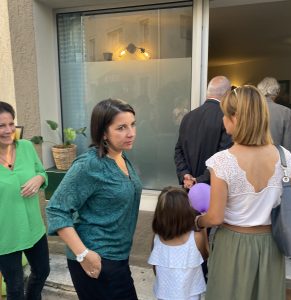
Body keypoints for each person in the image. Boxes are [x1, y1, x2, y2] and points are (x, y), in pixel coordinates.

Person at [195, 85, 291, 300]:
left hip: (232, 245)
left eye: (225, 114)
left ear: (235, 118)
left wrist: (197, 221)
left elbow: (215, 217)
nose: (223, 120)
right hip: (271, 245)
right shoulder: (285, 158)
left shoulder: (222, 161)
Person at [46, 99, 142, 300]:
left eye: (132, 124)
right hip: (96, 260)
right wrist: (83, 255)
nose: (131, 133)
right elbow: (56, 209)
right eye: (121, 127)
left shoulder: (120, 156)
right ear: (104, 132)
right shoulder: (89, 164)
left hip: (118, 258)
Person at [0, 101, 50, 300]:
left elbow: (41, 173)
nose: (8, 130)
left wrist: (39, 179)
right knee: (14, 285)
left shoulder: (27, 147)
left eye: (11, 124)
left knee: (42, 271)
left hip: (33, 227)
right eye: (1, 125)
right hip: (5, 233)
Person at [148, 187, 208, 300]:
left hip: (164, 294)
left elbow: (155, 267)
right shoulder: (196, 237)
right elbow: (205, 256)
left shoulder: (156, 238)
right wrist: (203, 228)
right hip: (190, 295)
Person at [174, 75, 232, 189]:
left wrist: (185, 175)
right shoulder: (226, 119)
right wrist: (200, 180)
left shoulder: (188, 117)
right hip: (214, 189)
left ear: (208, 93)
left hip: (189, 188)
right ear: (227, 94)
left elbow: (178, 150)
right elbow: (224, 157)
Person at [257, 76, 291, 153]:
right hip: (275, 159)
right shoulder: (285, 112)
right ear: (277, 93)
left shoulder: (247, 109)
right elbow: (288, 145)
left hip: (249, 159)